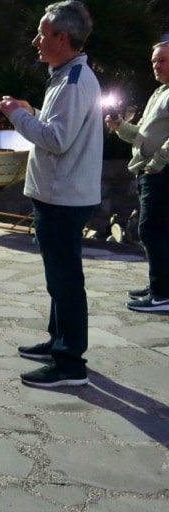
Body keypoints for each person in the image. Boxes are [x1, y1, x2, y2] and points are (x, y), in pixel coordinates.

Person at [0, 0, 104, 389]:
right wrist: (33, 112)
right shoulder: (67, 77)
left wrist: (15, 113)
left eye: (42, 33)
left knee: (65, 280)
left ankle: (69, 363)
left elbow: (57, 139)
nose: (35, 41)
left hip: (63, 198)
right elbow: (60, 128)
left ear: (62, 37)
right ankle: (58, 342)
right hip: (59, 195)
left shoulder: (74, 82)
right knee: (59, 278)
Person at [106, 41, 169, 313]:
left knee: (150, 230)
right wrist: (120, 127)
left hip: (161, 173)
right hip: (150, 171)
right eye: (155, 60)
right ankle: (160, 286)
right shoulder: (159, 93)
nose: (157, 65)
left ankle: (161, 293)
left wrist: (156, 164)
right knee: (159, 231)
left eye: (163, 60)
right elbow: (143, 133)